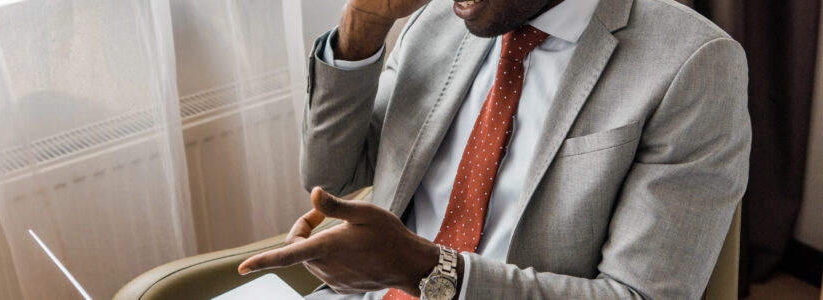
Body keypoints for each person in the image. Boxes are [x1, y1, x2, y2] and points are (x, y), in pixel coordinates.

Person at [238, 0, 751, 298]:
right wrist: (363, 27)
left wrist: (423, 269)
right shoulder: (436, 20)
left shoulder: (693, 63)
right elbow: (332, 171)